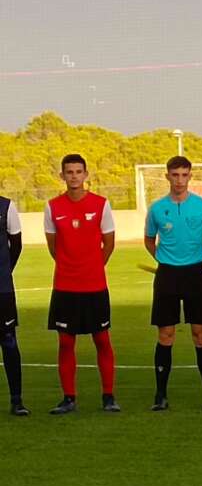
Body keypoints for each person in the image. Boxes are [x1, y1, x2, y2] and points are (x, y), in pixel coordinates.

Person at [144, 155, 202, 410]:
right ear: (167, 176)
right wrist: (164, 260)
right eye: (175, 175)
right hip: (167, 276)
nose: (179, 180)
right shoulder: (157, 208)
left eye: (184, 175)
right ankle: (160, 395)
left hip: (195, 274)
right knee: (166, 334)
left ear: (190, 176)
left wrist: (196, 259)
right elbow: (149, 239)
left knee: (200, 333)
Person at [45, 154, 119, 415]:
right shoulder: (52, 207)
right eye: (69, 172)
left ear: (86, 175)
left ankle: (108, 396)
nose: (74, 176)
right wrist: (71, 267)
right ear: (62, 175)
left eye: (78, 171)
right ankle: (69, 398)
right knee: (66, 343)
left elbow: (108, 243)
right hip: (65, 287)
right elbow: (53, 247)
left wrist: (93, 267)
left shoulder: (101, 204)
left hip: (94, 286)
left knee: (102, 339)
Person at [0, 194, 27, 416]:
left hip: (2, 290)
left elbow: (16, 244)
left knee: (9, 341)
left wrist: (5, 271)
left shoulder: (6, 206)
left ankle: (16, 400)